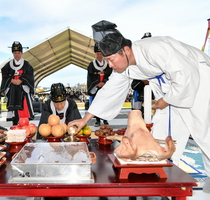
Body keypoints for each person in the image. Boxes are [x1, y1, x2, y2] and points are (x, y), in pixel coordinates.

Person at [68, 20, 210, 193]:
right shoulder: (125, 66)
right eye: (107, 61)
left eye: (111, 60)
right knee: (158, 136)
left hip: (199, 83)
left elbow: (185, 72)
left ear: (126, 50)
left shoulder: (154, 48)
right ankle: (160, 179)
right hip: (169, 90)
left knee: (204, 132)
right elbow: (109, 91)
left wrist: (167, 100)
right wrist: (85, 119)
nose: (110, 66)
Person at [0, 41, 34, 125]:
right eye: (15, 53)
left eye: (18, 53)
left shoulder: (26, 64)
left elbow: (29, 74)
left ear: (21, 53)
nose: (17, 55)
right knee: (14, 112)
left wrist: (21, 80)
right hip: (12, 92)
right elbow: (4, 74)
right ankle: (15, 127)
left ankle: (25, 127)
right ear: (13, 53)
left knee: (24, 111)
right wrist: (11, 80)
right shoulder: (8, 65)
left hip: (23, 90)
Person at [87, 43, 113, 126]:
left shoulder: (107, 64)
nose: (99, 55)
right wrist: (97, 83)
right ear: (95, 55)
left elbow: (109, 74)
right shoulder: (92, 64)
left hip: (105, 85)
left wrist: (104, 82)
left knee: (106, 103)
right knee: (96, 104)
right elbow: (91, 75)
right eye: (97, 54)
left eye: (101, 54)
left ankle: (105, 120)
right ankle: (97, 120)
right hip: (96, 86)